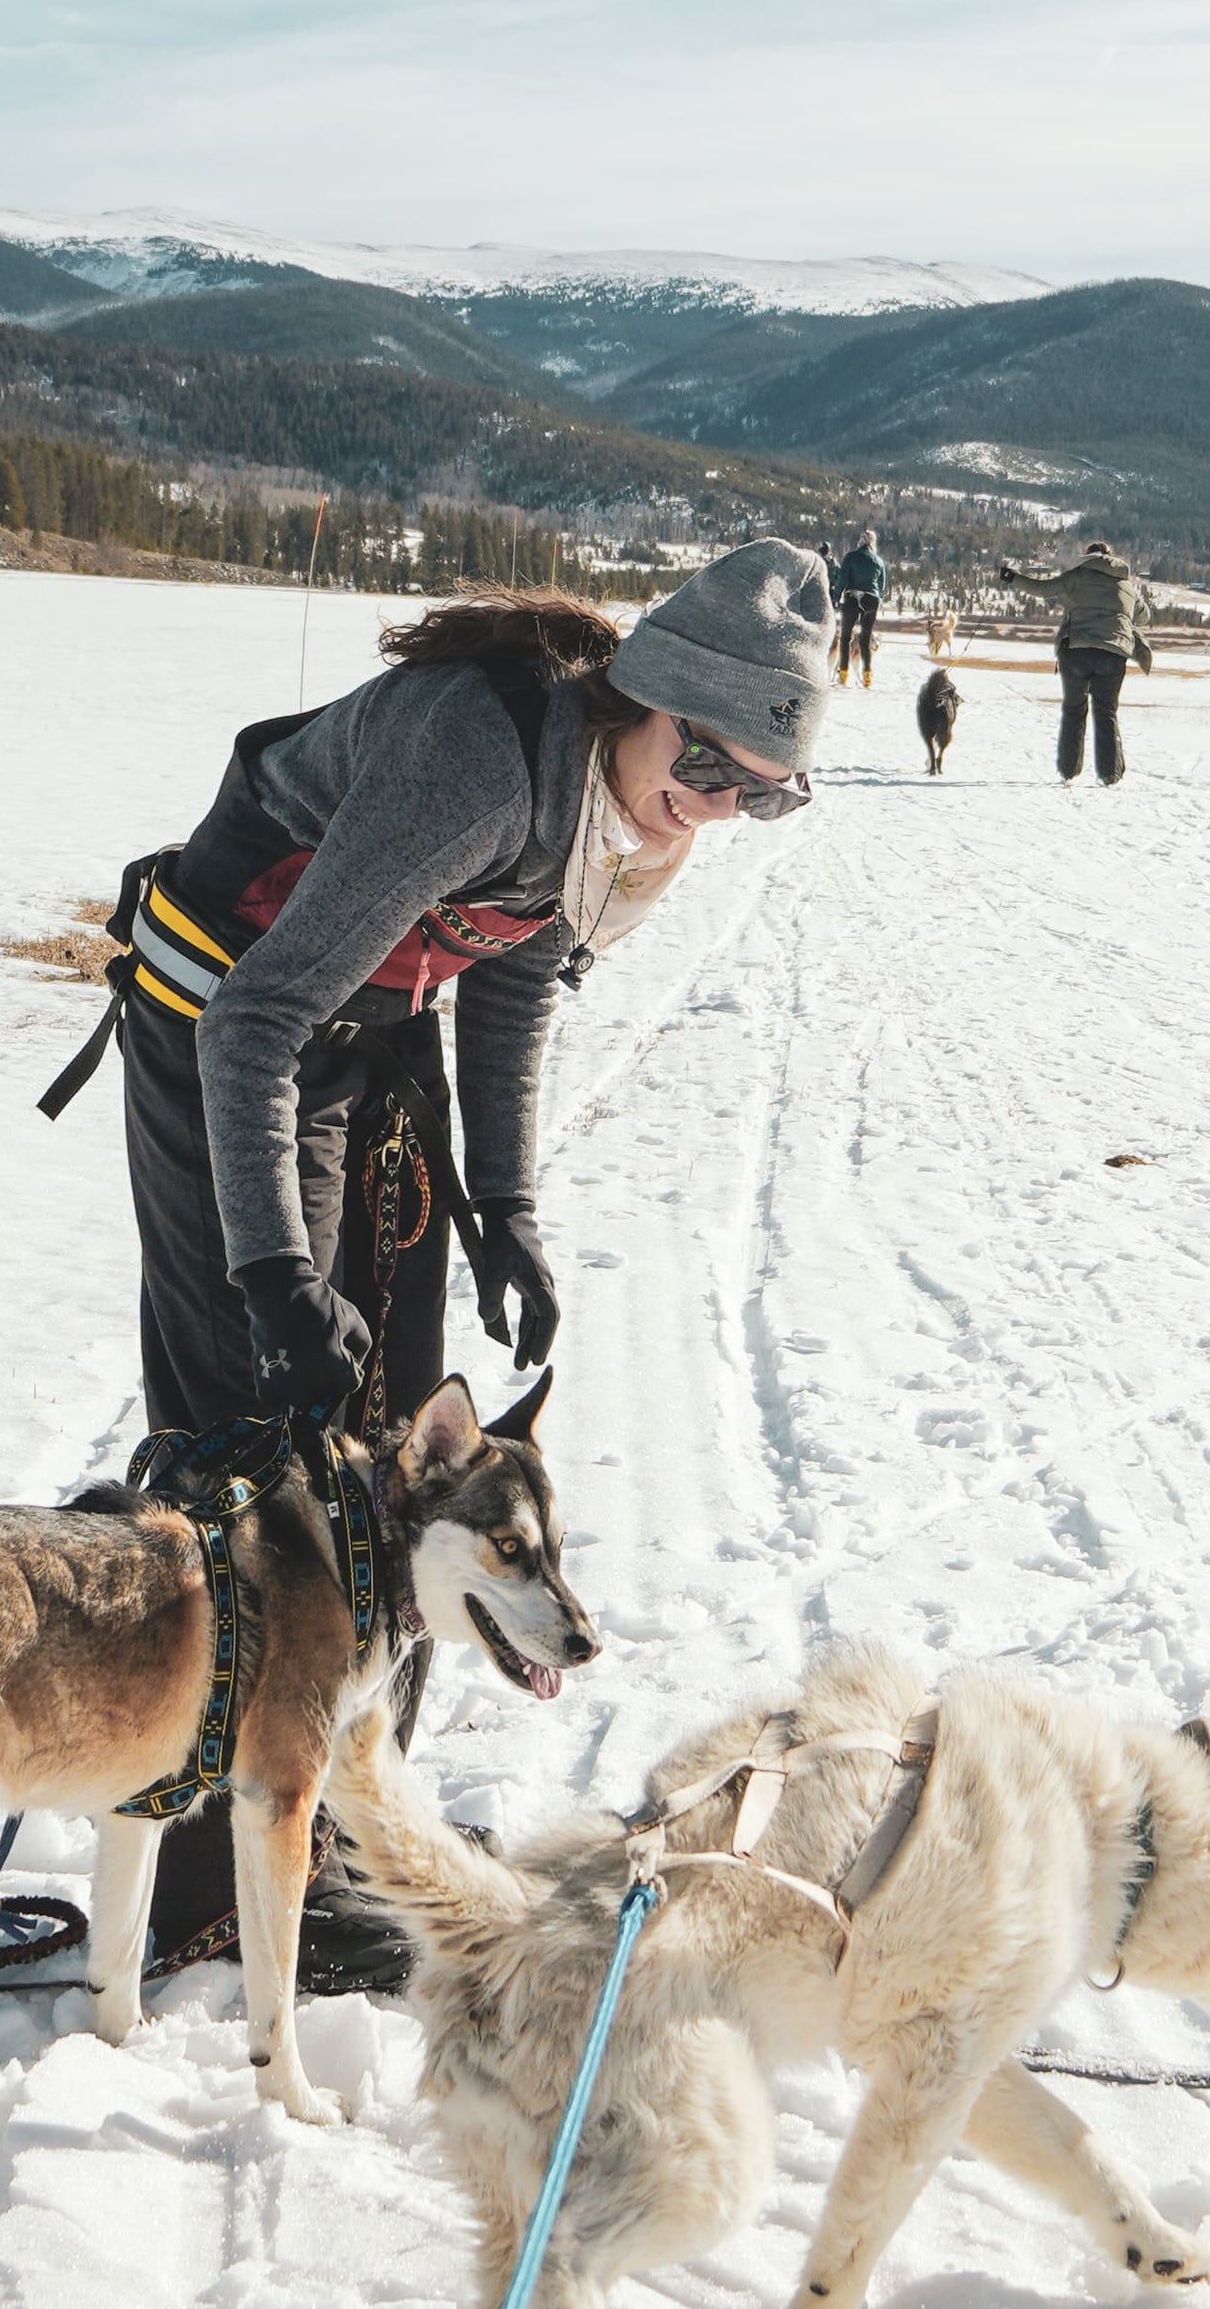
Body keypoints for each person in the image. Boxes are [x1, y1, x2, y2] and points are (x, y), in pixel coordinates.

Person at [107, 541, 834, 1958]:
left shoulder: (628, 814)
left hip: (369, 1037)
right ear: (648, 700)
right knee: (261, 1451)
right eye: (710, 767)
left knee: (403, 1454)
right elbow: (256, 1023)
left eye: (765, 789)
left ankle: (355, 1828)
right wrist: (268, 1274)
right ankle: (226, 1889)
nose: (719, 806)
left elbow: (510, 976)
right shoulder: (481, 762)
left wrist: (504, 1207)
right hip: (226, 1033)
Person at [1048, 537, 1155, 786]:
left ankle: (1067, 770)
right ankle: (1109, 774)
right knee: (1106, 711)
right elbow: (1144, 616)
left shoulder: (1077, 580)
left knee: (1073, 709)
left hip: (1074, 650)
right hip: (1112, 653)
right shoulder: (1124, 584)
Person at [829, 523, 885, 688]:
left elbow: (842, 579)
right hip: (871, 599)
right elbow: (881, 587)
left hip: (852, 597)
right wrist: (878, 600)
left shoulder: (851, 556)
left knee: (845, 638)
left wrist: (836, 597)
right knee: (865, 639)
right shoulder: (879, 561)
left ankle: (843, 674)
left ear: (860, 542)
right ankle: (867, 676)